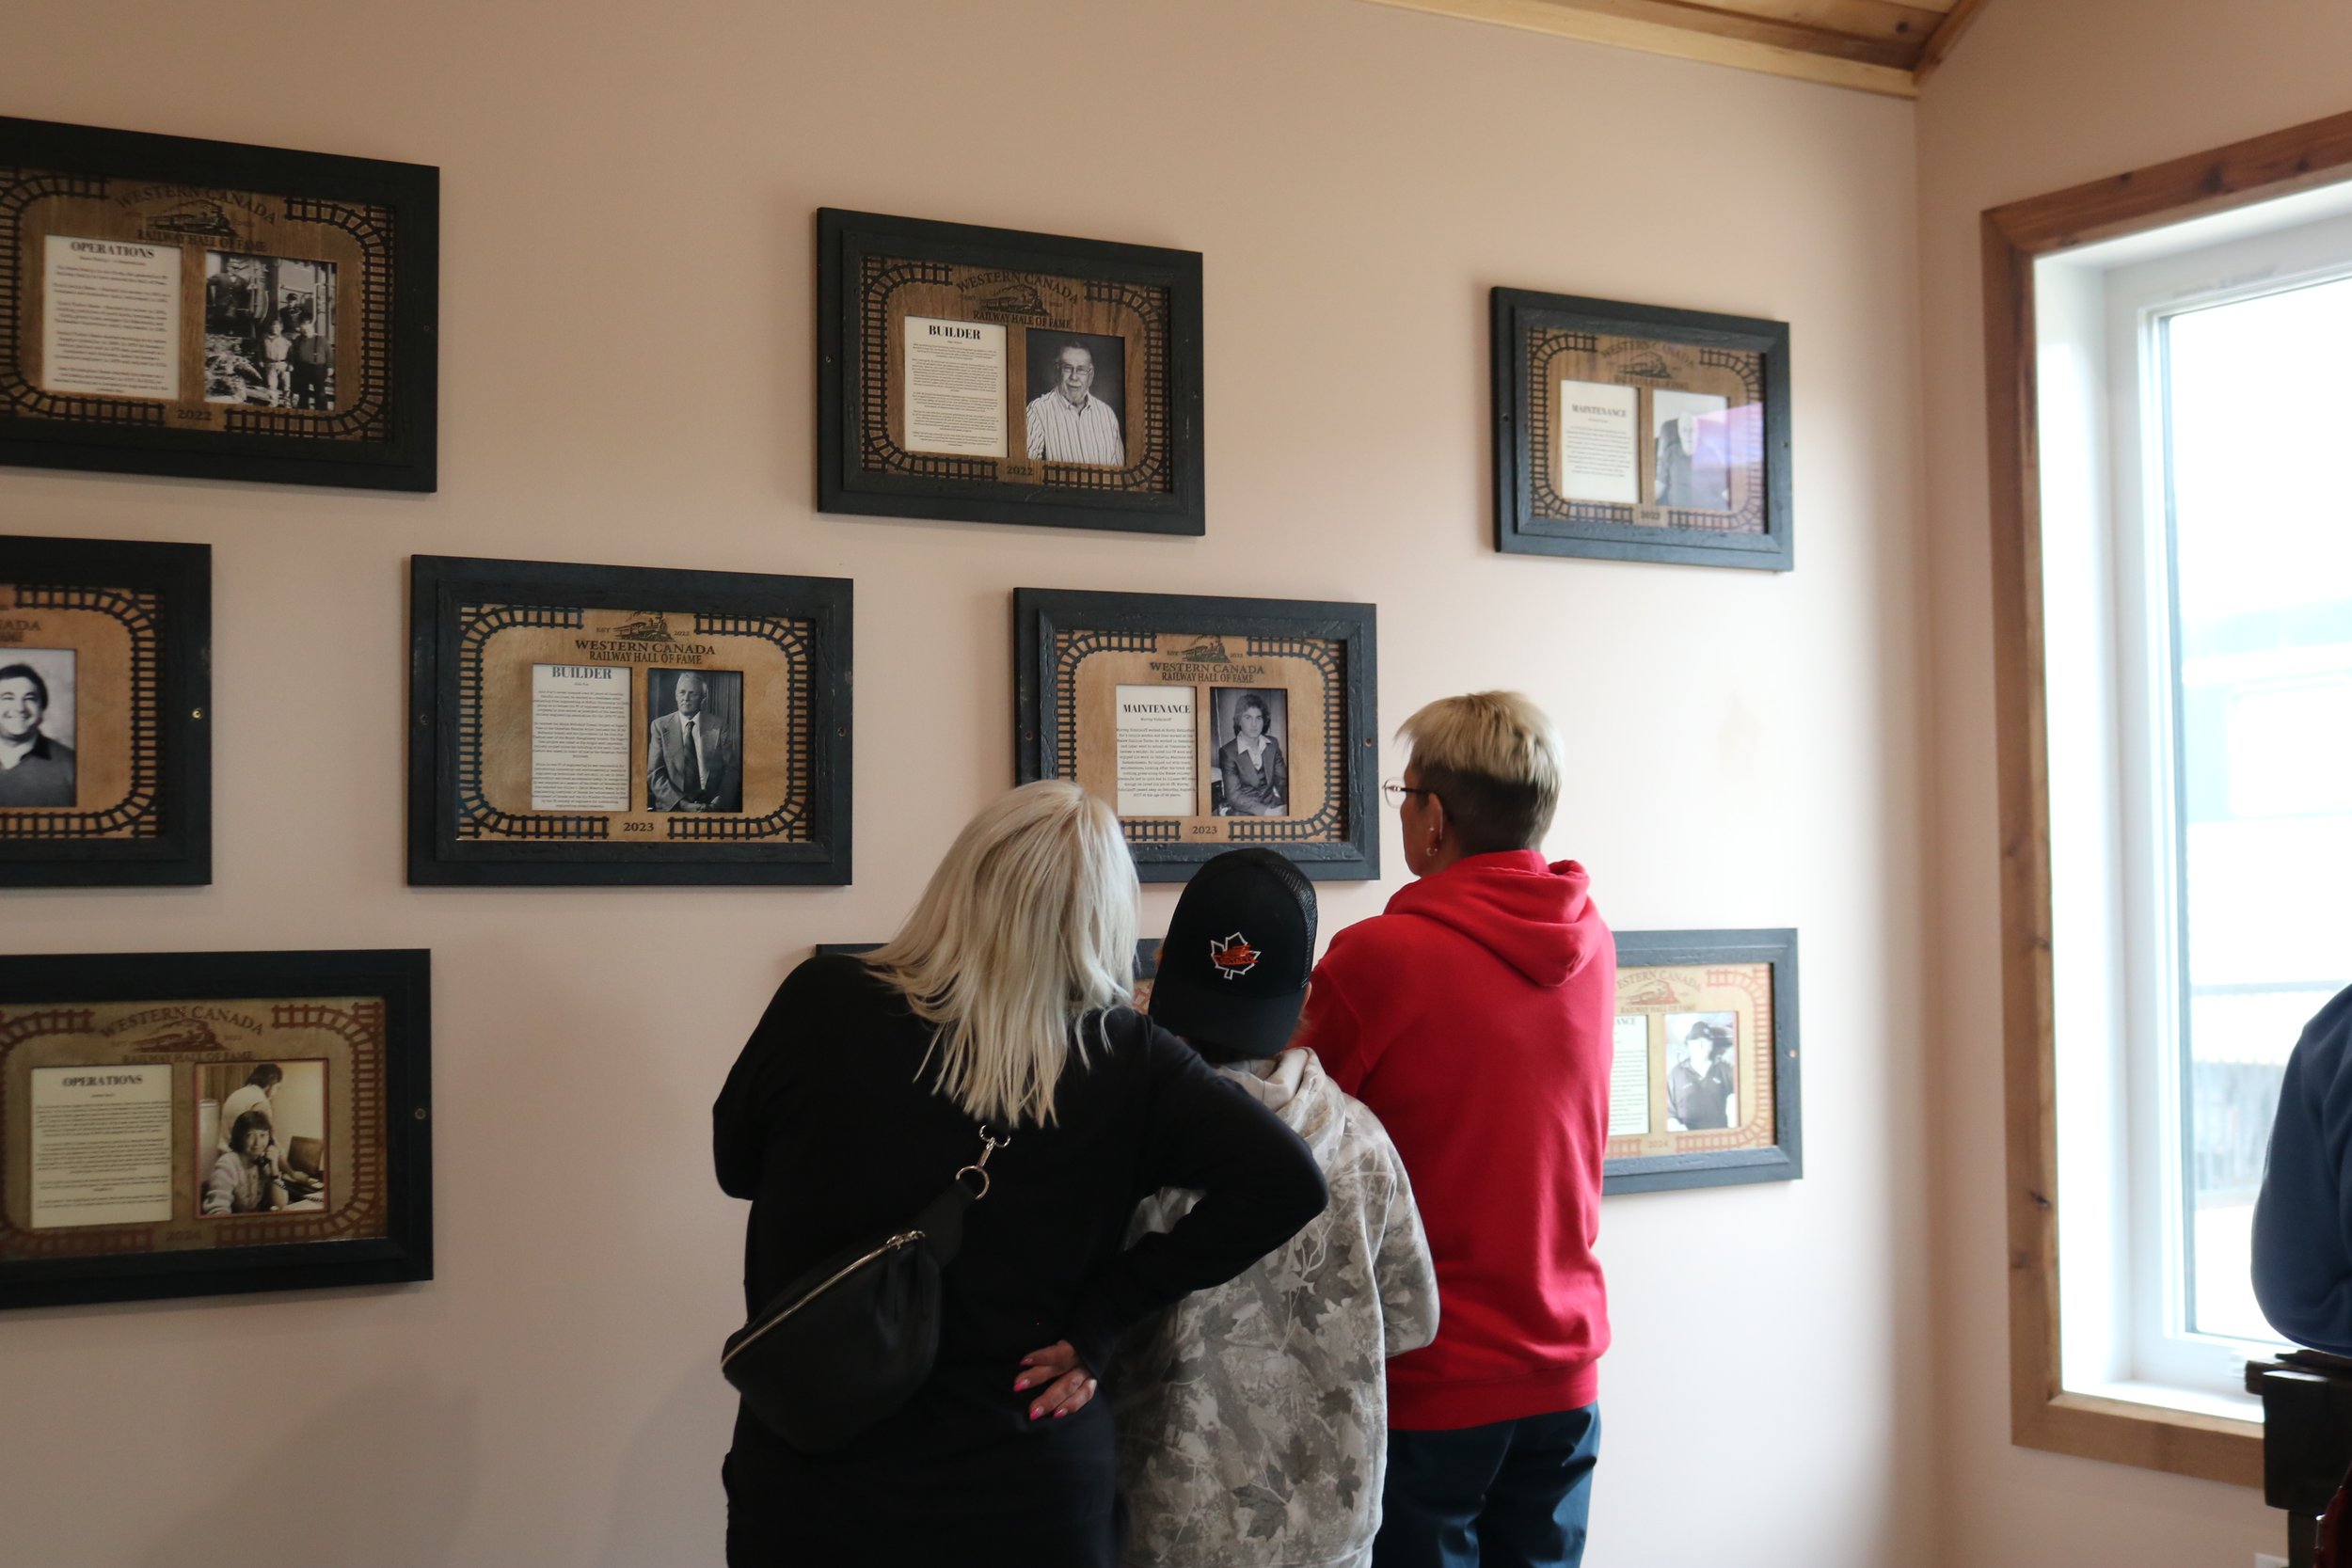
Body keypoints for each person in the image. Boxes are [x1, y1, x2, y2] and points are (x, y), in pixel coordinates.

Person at [715, 781, 1327, 1567]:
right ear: (1105, 918)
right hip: (1026, 1494)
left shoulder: (821, 1001)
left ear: (960, 881)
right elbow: (1287, 1182)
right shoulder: (1130, 1061)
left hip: (813, 1481)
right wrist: (1108, 1310)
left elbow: (737, 1167)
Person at [1295, 691, 1613, 1568]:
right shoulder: (1591, 940)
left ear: (1432, 818)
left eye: (1405, 794)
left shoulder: (1380, 960)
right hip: (1566, 1364)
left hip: (1435, 1371)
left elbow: (1278, 1115)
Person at [1113, 847, 1438, 1568]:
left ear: (1160, 971)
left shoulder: (1131, 1139)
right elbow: (1413, 1320)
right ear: (1303, 999)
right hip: (1328, 1531)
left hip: (1166, 1523)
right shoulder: (1361, 1142)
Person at [647, 671, 739, 812]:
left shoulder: (719, 726)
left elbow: (731, 769)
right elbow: (655, 774)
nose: (686, 698)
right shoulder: (660, 726)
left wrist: (718, 803)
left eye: (693, 693)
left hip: (711, 806)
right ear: (676, 695)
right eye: (682, 692)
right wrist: (683, 804)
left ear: (703, 698)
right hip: (674, 806)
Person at [1025, 341, 1125, 467]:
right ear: (1057, 372)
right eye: (1067, 368)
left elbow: (1121, 475)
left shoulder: (1107, 414)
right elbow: (1029, 471)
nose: (1074, 376)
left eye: (1081, 370)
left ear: (1091, 375)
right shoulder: (1037, 411)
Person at [0, 663, 74, 807]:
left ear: (41, 710)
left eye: (30, 698)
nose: (20, 708)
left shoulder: (72, 766)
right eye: (8, 698)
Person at [1212, 693, 1288, 817]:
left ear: (1264, 721)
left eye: (1258, 718)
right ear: (1239, 721)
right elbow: (1234, 796)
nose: (1254, 724)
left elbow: (1283, 780)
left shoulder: (1272, 744)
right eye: (1248, 718)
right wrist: (1266, 812)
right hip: (1244, 810)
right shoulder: (1228, 752)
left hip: (1273, 805)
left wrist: (1287, 803)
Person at [203, 1111, 287, 1216]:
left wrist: (274, 1170)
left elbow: (281, 1204)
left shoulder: (264, 1163)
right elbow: (217, 1210)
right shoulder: (227, 1164)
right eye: (250, 1135)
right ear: (239, 1137)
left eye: (263, 1135)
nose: (257, 1143)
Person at [1665, 1022, 1735, 1132]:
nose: (1700, 1046)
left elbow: (1744, 1099)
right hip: (1687, 1136)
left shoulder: (1724, 1069)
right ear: (1688, 1045)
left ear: (1711, 1045)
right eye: (1695, 1042)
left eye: (1705, 1042)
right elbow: (1668, 1113)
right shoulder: (1676, 1073)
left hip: (1719, 1135)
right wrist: (1675, 1127)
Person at [216, 1063, 283, 1153]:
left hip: (224, 1152)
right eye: (277, 1088)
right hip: (242, 1158)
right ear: (271, 1083)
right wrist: (288, 1167)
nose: (275, 1093)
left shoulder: (237, 1093)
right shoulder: (260, 1102)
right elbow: (270, 1142)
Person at [288, 316, 330, 409]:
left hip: (318, 369)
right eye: (304, 329)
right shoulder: (298, 340)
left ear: (312, 328)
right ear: (301, 330)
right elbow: (292, 353)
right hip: (302, 368)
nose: (306, 331)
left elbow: (329, 354)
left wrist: (330, 367)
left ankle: (322, 411)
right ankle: (303, 410)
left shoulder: (321, 340)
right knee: (303, 392)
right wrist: (291, 364)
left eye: (308, 329)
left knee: (320, 393)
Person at [259, 320, 294, 404]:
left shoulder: (285, 339)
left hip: (283, 364)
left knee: (286, 385)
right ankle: (273, 401)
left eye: (277, 327)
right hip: (270, 364)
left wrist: (291, 364)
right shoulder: (264, 338)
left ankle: (287, 401)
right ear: (270, 327)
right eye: (273, 327)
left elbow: (291, 352)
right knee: (271, 385)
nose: (275, 329)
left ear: (281, 328)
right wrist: (260, 360)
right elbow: (260, 350)